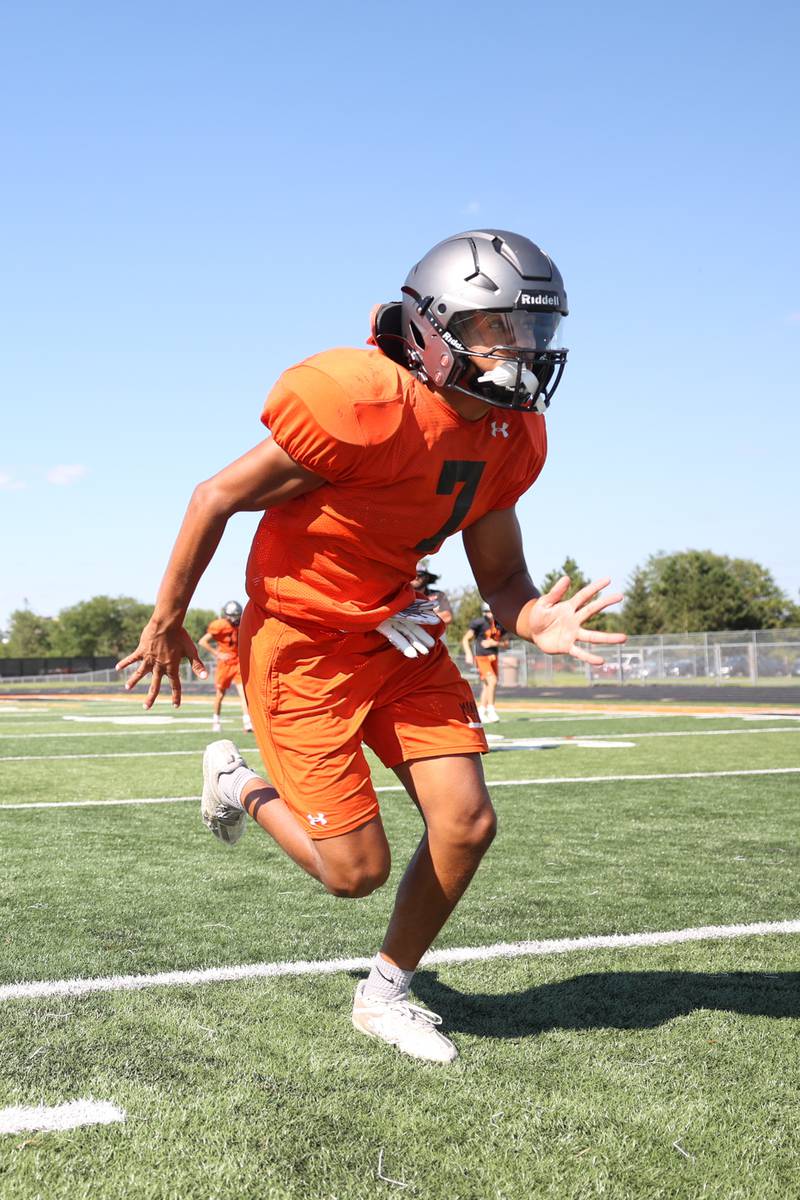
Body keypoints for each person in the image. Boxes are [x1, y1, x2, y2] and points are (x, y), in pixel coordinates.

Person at [117, 228, 625, 1064]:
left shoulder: (509, 436)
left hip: (398, 633)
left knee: (466, 821)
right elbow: (215, 496)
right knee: (354, 872)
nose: (521, 352)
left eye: (533, 332)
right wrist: (167, 617)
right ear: (433, 326)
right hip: (304, 643)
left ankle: (386, 992)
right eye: (499, 328)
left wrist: (539, 621)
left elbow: (504, 580)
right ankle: (239, 781)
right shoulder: (360, 401)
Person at [197, 601, 254, 734]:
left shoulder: (242, 624)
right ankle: (216, 721)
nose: (236, 619)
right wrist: (218, 654)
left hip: (238, 661)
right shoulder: (220, 625)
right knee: (220, 695)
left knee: (243, 693)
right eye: (234, 616)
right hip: (225, 664)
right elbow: (202, 641)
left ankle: (247, 723)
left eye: (238, 616)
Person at [462, 601, 510, 723]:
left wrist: (495, 643)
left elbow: (506, 644)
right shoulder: (479, 623)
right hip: (482, 657)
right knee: (492, 681)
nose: (490, 614)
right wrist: (468, 653)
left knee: (487, 685)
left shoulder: (500, 624)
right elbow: (465, 639)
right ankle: (491, 709)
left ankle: (482, 711)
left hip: (494, 656)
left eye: (491, 611)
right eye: (487, 612)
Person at [412, 559, 453, 625]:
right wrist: (432, 616)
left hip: (432, 635)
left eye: (420, 575)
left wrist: (413, 617)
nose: (416, 577)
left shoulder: (439, 595)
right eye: (413, 575)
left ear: (427, 577)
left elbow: (447, 617)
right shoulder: (401, 596)